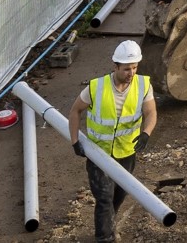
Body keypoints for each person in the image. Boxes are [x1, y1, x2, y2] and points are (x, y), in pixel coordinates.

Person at [72, 39, 157, 242]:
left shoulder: (143, 85)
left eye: (135, 67)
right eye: (127, 69)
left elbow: (151, 112)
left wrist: (146, 133)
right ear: (115, 66)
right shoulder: (96, 87)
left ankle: (109, 225)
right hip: (99, 153)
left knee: (119, 195)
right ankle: (104, 238)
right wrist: (75, 141)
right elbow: (75, 111)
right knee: (104, 196)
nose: (131, 73)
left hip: (126, 151)